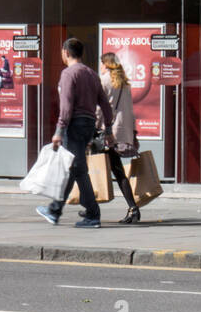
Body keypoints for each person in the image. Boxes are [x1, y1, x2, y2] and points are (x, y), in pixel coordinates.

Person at [37, 37, 112, 229]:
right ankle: (55, 209)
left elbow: (66, 105)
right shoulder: (92, 74)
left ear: (66, 53)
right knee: (73, 167)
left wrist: (59, 130)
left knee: (78, 168)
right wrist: (108, 129)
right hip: (88, 125)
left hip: (74, 125)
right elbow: (105, 104)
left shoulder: (69, 74)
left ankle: (92, 214)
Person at [98, 51, 141, 225]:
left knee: (99, 168)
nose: (100, 67)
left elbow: (100, 108)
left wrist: (93, 125)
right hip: (121, 131)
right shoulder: (124, 84)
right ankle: (132, 208)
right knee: (116, 170)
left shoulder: (104, 81)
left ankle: (132, 208)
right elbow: (130, 110)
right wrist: (134, 132)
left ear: (106, 64)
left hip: (107, 132)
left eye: (101, 63)